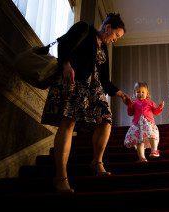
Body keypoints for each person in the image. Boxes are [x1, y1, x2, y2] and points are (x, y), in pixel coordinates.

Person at [41, 13, 132, 193]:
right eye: (116, 35)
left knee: (106, 120)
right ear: (108, 28)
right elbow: (64, 43)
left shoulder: (104, 50)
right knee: (68, 122)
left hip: (95, 92)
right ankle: (60, 177)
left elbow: (104, 79)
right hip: (75, 83)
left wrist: (121, 94)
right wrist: (66, 64)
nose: (116, 40)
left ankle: (97, 162)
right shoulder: (83, 28)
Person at [124, 82, 165, 162]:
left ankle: (154, 151)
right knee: (139, 141)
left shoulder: (150, 102)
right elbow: (130, 113)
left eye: (143, 92)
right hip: (137, 125)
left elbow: (156, 112)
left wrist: (160, 108)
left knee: (152, 135)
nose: (140, 94)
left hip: (148, 123)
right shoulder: (134, 103)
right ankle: (142, 157)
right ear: (135, 93)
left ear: (147, 93)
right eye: (138, 92)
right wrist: (129, 105)